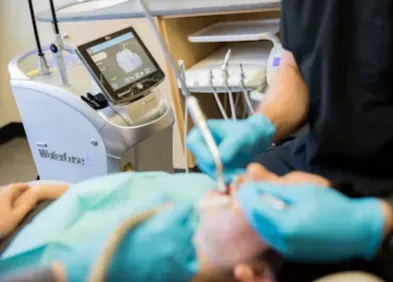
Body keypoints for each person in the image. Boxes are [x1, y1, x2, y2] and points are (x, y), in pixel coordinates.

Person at [186, 0, 393, 280]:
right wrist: (260, 124)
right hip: (323, 156)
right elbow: (294, 67)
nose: (253, 174)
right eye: (229, 193)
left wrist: (380, 220)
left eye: (230, 197)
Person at [0, 166, 354, 282]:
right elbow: (110, 189)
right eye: (278, 174)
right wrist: (43, 190)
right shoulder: (207, 199)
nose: (254, 171)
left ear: (253, 274)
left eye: (270, 194)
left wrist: (70, 272)